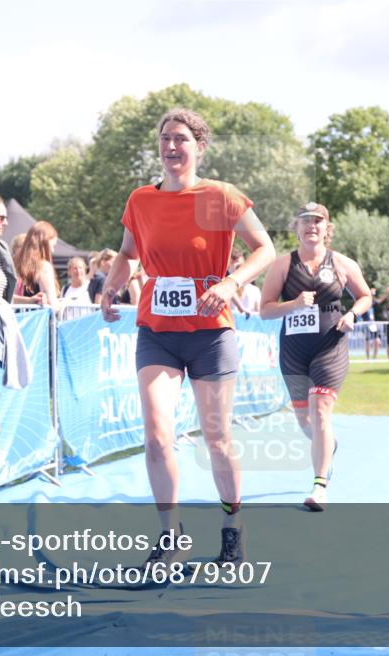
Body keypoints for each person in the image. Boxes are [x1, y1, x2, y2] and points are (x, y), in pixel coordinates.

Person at [100, 108, 275, 564]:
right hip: (157, 330)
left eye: (181, 139)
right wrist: (111, 287)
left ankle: (232, 527)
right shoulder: (141, 200)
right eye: (165, 139)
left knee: (216, 438)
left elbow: (266, 249)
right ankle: (170, 535)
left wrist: (232, 283)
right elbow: (126, 252)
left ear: (200, 147)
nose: (172, 147)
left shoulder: (221, 197)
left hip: (210, 333)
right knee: (157, 436)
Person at [261, 202, 370, 510]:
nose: (311, 226)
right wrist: (293, 304)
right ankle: (328, 448)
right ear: (296, 227)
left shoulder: (342, 263)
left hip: (330, 346)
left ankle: (319, 486)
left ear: (327, 228)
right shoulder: (283, 265)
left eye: (318, 221)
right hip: (294, 352)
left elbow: (365, 296)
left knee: (320, 410)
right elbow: (265, 310)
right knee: (305, 421)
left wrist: (352, 314)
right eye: (305, 221)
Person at [13, 221, 61, 308]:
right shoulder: (43, 267)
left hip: (18, 319)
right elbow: (52, 305)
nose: (53, 251)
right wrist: (63, 305)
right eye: (53, 246)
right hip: (39, 320)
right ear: (44, 243)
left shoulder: (16, 265)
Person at [229, 248, 262, 314]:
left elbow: (259, 317)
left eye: (241, 266)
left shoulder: (254, 291)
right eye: (237, 267)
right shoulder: (223, 292)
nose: (238, 270)